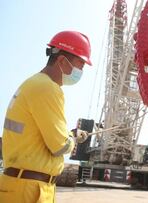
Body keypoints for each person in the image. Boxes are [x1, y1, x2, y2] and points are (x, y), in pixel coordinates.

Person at [0, 31, 92, 202]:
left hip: (23, 185)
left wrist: (70, 135)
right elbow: (60, 146)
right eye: (80, 65)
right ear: (62, 61)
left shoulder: (33, 83)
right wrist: (73, 138)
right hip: (28, 189)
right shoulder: (48, 88)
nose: (80, 71)